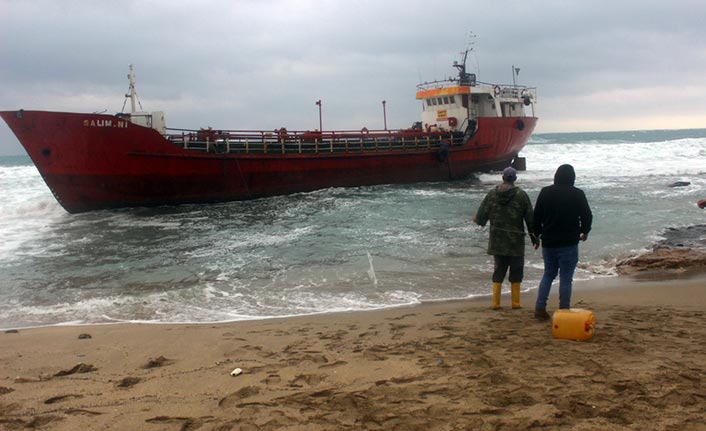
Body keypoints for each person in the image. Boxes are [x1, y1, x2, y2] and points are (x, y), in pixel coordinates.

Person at [532, 164, 593, 320]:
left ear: (556, 176)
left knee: (548, 274)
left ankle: (540, 308)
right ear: (572, 178)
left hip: (549, 242)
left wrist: (536, 236)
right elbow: (587, 215)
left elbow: (536, 216)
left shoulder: (545, 192)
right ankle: (564, 311)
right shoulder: (577, 194)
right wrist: (584, 231)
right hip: (569, 242)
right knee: (566, 278)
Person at [473, 166, 536, 310]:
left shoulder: (492, 194)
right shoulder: (521, 195)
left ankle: (495, 303)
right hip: (515, 242)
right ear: (514, 179)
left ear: (502, 178)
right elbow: (530, 220)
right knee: (516, 271)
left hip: (497, 241)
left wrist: (476, 220)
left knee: (499, 270)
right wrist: (535, 238)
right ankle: (515, 303)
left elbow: (481, 218)